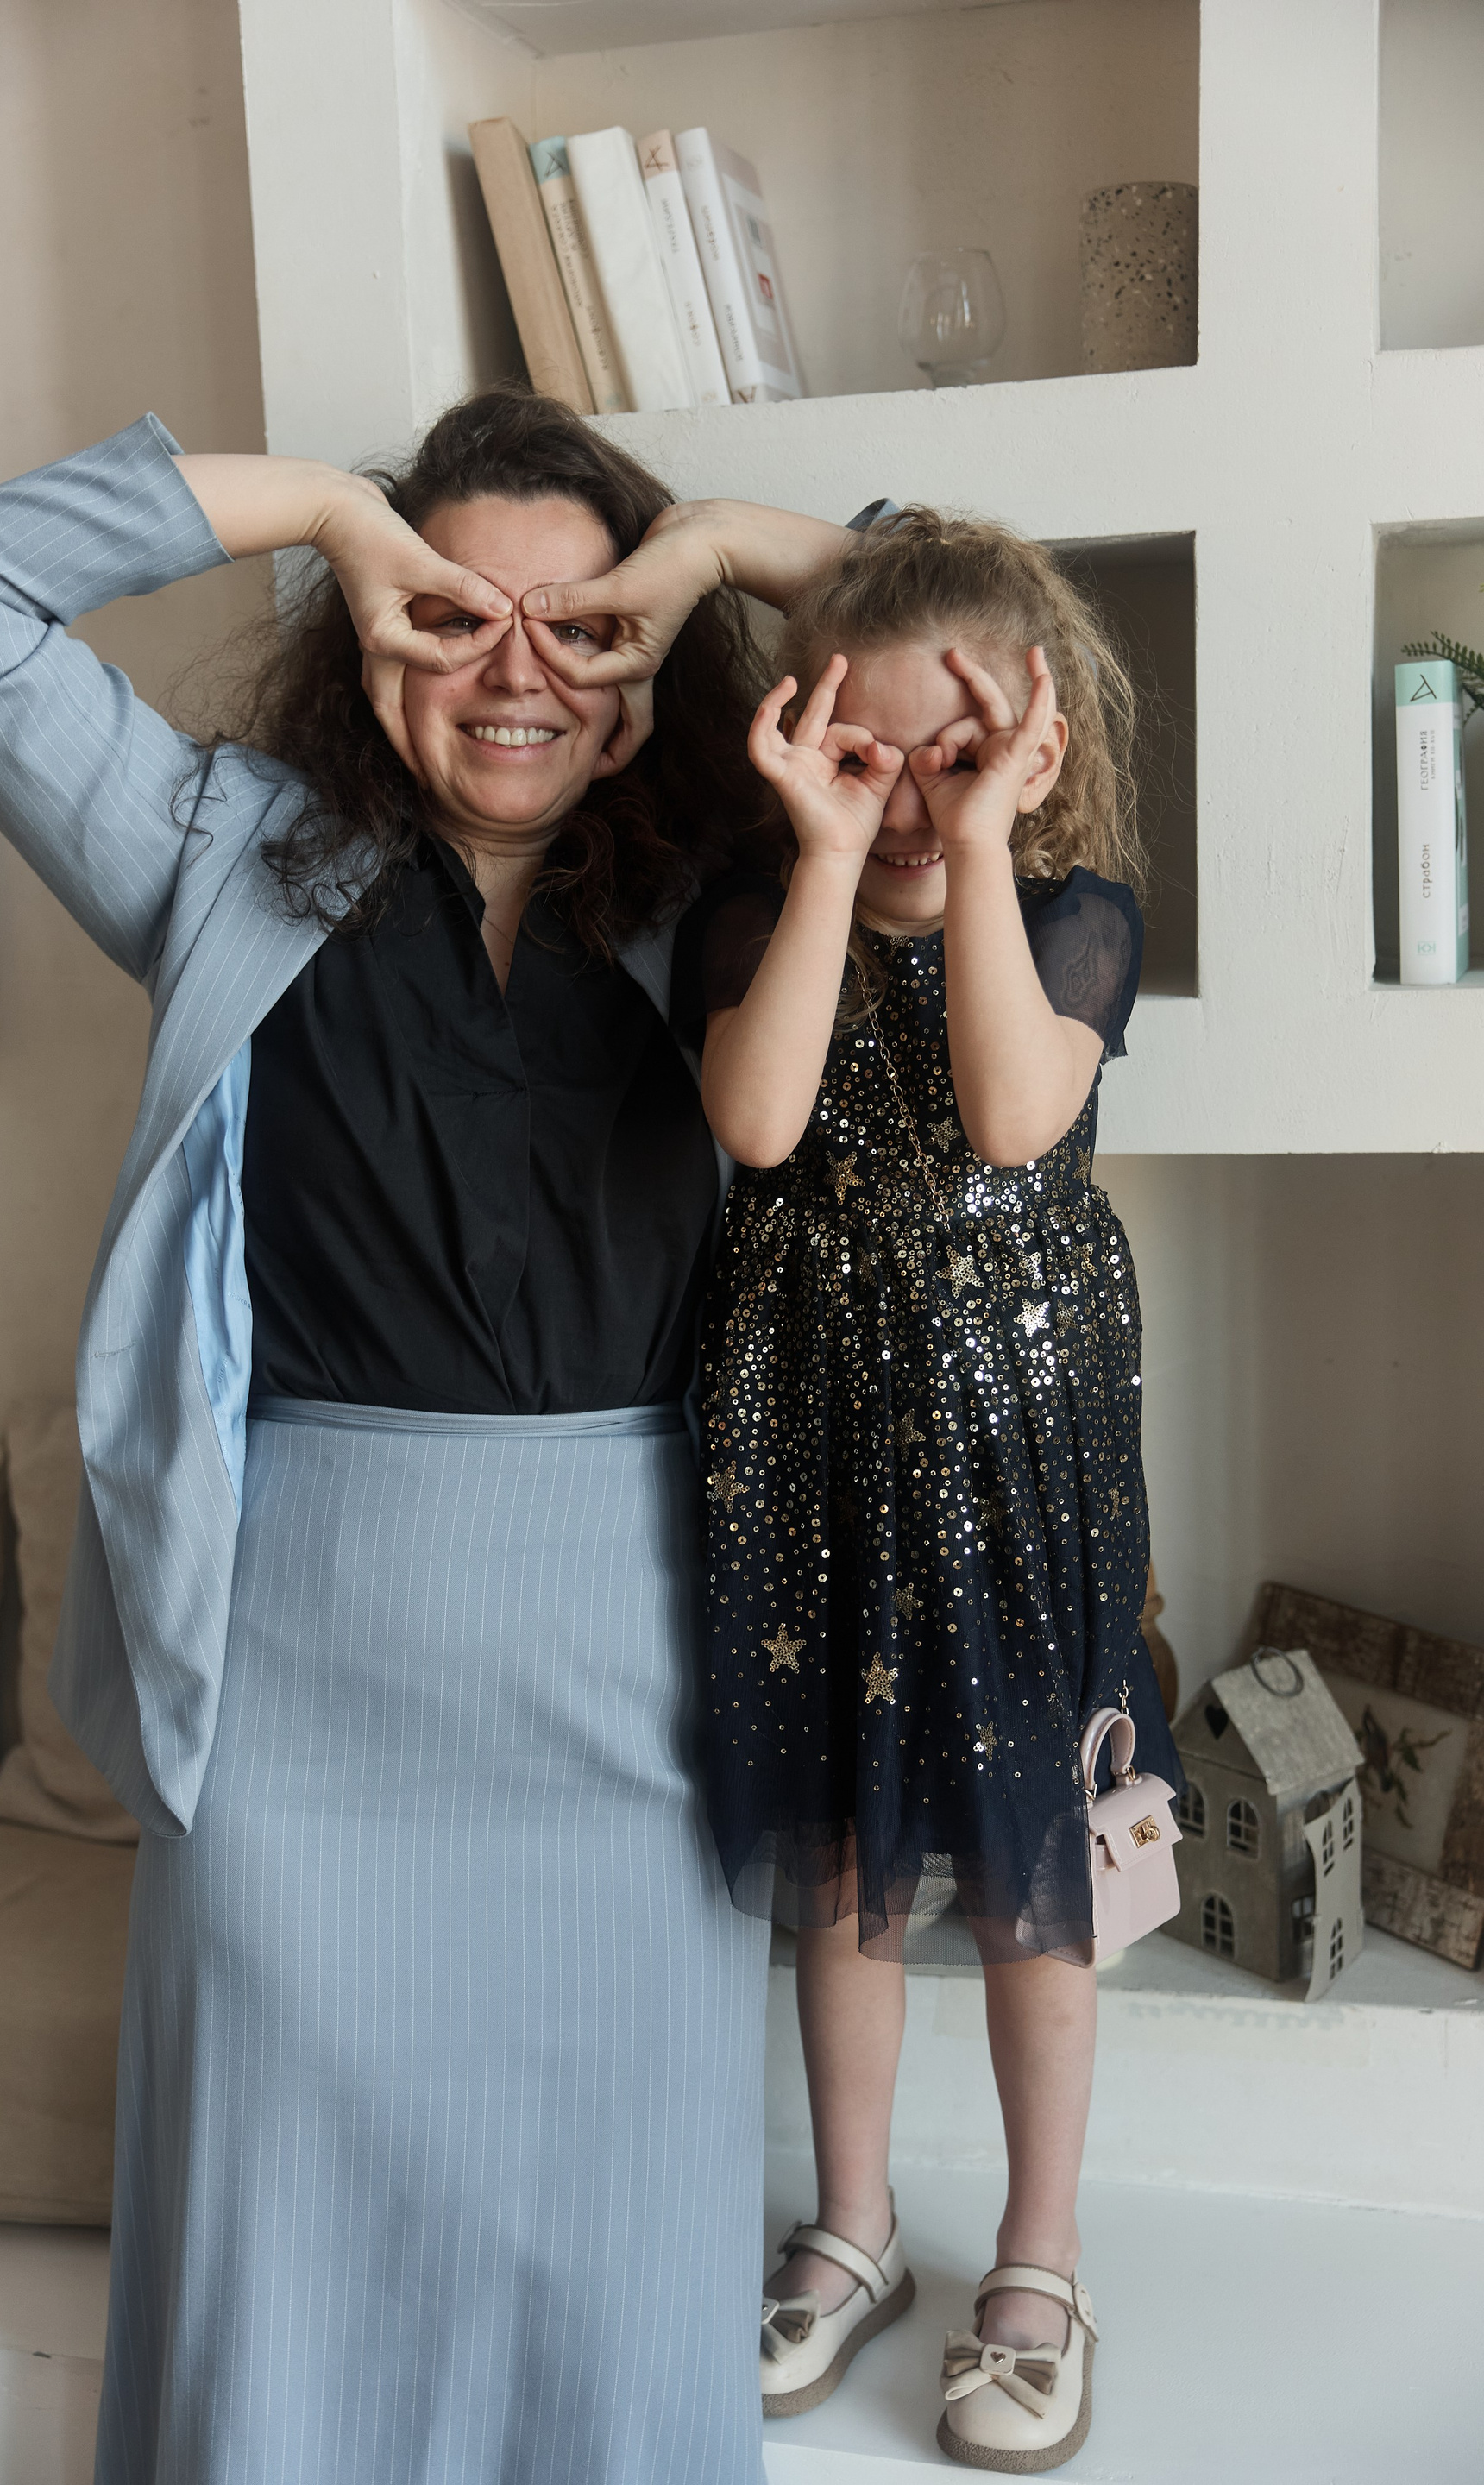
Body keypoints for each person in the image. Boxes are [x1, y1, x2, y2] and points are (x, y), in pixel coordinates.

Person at [0, 387, 867, 2485]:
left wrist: (703, 553)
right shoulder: (222, 855)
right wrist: (328, 509)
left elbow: (967, 659)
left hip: (635, 1685)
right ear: (374, 629)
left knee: (608, 2267)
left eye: (579, 626)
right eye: (453, 612)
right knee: (289, 2268)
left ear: (646, 660)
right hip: (299, 1698)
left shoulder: (731, 897)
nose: (515, 671)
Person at [673, 508, 1181, 2472]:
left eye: (954, 757)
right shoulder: (758, 910)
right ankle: (857, 2221)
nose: (905, 801)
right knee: (846, 1874)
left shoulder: (1071, 916)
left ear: (1037, 746)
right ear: (804, 742)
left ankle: (1041, 2254)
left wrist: (978, 844)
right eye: (864, 757)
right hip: (815, 1460)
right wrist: (821, 856)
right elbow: (757, 1120)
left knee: (1039, 1888)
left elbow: (1006, 1112)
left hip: (1019, 1466)